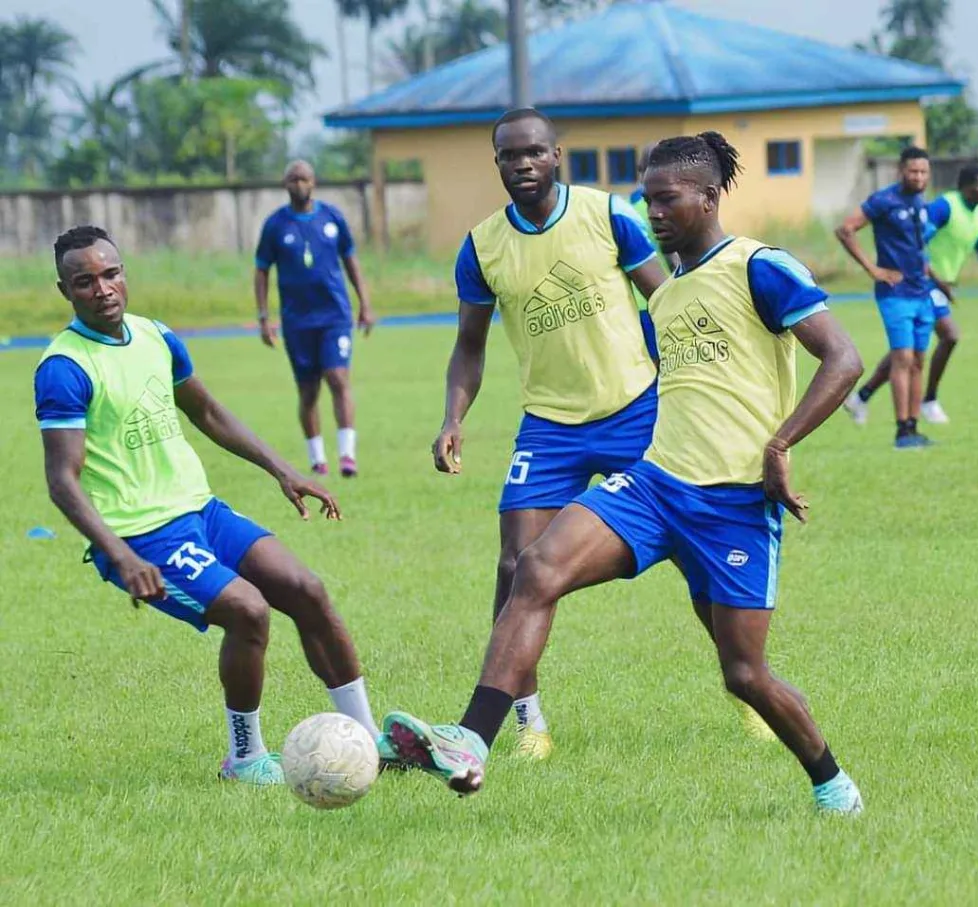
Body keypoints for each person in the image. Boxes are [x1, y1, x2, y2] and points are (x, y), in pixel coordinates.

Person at [384, 133, 866, 815]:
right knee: (534, 567)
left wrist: (780, 443)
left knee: (745, 673)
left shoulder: (762, 267)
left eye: (666, 199)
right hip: (654, 485)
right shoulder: (664, 303)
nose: (653, 210)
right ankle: (472, 739)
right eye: (646, 198)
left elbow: (843, 359)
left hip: (731, 504)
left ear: (708, 196)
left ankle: (832, 782)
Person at [37, 225, 392, 785]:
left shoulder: (155, 336)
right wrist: (120, 555)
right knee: (248, 611)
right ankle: (245, 757)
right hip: (142, 536)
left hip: (202, 512)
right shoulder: (64, 367)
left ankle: (370, 741)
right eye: (85, 282)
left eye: (111, 274)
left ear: (125, 274)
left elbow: (209, 413)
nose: (103, 289)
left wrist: (283, 470)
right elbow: (62, 480)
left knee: (308, 591)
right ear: (66, 291)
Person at [432, 107, 669, 760]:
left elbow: (670, 302)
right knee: (515, 564)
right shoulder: (482, 248)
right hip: (550, 426)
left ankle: (745, 681)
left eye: (534, 151)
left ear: (557, 154)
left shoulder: (608, 215)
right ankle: (527, 721)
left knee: (696, 545)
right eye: (510, 155)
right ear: (498, 165)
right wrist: (454, 417)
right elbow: (469, 347)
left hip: (636, 410)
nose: (523, 163)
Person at [845, 164, 978, 425]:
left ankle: (862, 396)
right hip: (924, 281)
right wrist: (934, 278)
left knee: (905, 351)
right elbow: (916, 243)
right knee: (949, 335)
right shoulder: (944, 206)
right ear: (966, 187)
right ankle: (929, 400)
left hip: (940, 284)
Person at [254, 160, 376, 478]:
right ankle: (317, 458)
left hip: (335, 315)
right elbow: (262, 270)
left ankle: (348, 456)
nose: (299, 184)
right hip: (297, 321)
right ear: (284, 184)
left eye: (304, 178)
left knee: (338, 378)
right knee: (308, 391)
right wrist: (264, 316)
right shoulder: (275, 225)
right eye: (293, 179)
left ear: (314, 182)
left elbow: (351, 261)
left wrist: (365, 303)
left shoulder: (332, 217)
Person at [835, 146, 933, 448]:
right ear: (900, 171)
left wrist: (935, 279)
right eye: (913, 171)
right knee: (902, 357)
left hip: (921, 290)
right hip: (895, 292)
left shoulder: (920, 202)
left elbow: (916, 247)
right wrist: (873, 269)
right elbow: (845, 230)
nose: (918, 177)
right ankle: (901, 430)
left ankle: (913, 427)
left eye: (923, 172)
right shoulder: (884, 200)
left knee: (917, 359)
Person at [628, 141, 680, 359]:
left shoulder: (627, 211)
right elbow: (674, 260)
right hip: (663, 299)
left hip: (634, 304)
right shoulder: (664, 210)